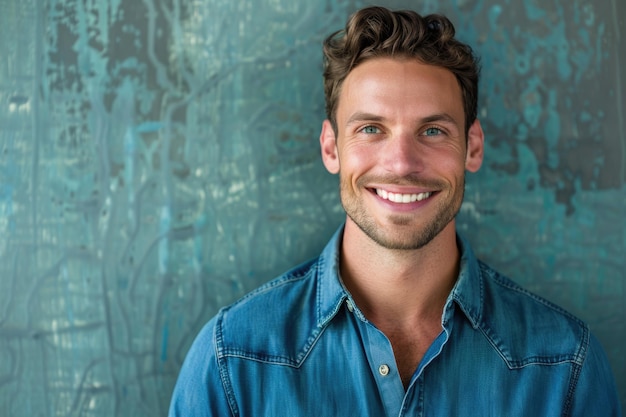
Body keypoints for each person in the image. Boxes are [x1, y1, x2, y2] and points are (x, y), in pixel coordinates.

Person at [169, 6, 621, 416]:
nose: (402, 163)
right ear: (331, 148)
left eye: (432, 131)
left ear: (473, 146)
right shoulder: (232, 359)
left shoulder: (565, 366)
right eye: (371, 128)